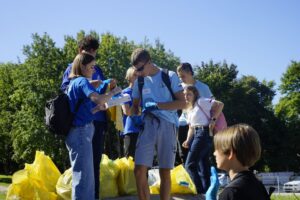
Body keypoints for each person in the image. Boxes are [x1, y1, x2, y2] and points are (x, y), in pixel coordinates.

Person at [61, 35, 115, 199]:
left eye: (94, 53)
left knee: (89, 173)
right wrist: (112, 92)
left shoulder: (84, 76)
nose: (94, 67)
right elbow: (73, 93)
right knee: (83, 176)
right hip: (80, 129)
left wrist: (101, 103)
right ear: (81, 58)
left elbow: (92, 102)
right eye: (91, 66)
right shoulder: (77, 78)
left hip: (90, 124)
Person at [130, 48, 186, 200]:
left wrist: (158, 105)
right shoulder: (139, 81)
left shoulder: (169, 76)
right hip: (147, 124)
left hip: (168, 124)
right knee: (139, 170)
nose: (139, 72)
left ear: (149, 62)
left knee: (164, 172)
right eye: (136, 69)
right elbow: (134, 107)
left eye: (140, 68)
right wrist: (133, 113)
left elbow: (183, 104)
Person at [206, 124, 271, 200]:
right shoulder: (258, 185)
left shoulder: (231, 193)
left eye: (217, 149)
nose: (214, 153)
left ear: (230, 153)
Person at [182, 85, 224, 194]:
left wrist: (213, 120)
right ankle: (207, 193)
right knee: (203, 166)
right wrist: (187, 140)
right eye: (185, 94)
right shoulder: (189, 108)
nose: (186, 96)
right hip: (197, 134)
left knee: (190, 165)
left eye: (189, 94)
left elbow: (220, 104)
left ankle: (199, 192)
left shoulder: (201, 101)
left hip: (203, 133)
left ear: (195, 94)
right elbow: (191, 127)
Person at [176, 63, 213, 164]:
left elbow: (213, 106)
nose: (181, 79)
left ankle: (199, 179)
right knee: (183, 155)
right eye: (179, 77)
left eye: (183, 76)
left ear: (190, 73)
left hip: (199, 127)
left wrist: (213, 122)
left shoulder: (203, 87)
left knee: (200, 159)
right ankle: (187, 179)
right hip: (183, 124)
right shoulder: (179, 88)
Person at [121, 67, 140, 158]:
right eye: (134, 75)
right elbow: (127, 112)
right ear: (129, 77)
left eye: (139, 75)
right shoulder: (125, 93)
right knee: (130, 160)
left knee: (144, 161)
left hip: (144, 130)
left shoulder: (144, 92)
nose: (137, 77)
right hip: (131, 130)